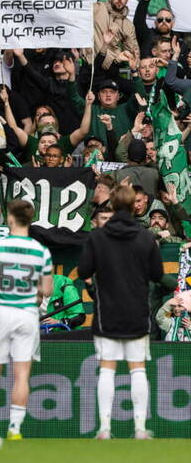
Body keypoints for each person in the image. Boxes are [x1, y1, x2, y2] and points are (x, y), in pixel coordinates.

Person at [77, 183, 164, 440]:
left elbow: (83, 271)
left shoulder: (97, 237)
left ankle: (104, 428)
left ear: (113, 205)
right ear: (133, 206)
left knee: (107, 369)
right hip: (137, 309)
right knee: (138, 370)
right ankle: (140, 429)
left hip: (107, 311)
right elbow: (157, 274)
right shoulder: (145, 237)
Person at [0, 200, 53, 440]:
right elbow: (48, 290)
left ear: (10, 218)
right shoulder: (41, 251)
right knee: (21, 375)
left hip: (0, 311)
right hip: (26, 314)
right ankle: (15, 428)